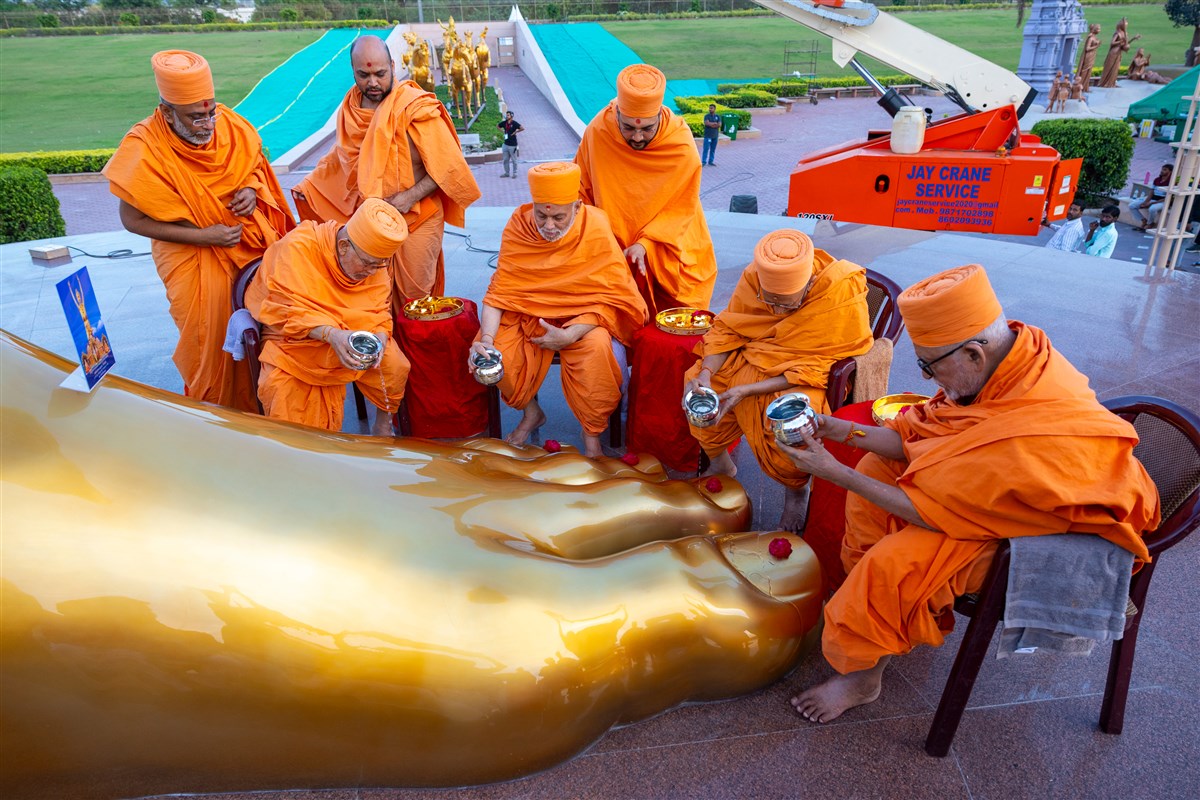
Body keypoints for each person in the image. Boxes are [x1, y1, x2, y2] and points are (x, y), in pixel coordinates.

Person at [776, 264, 1160, 723]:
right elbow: (918, 439)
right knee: (876, 465)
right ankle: (882, 619)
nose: (927, 382)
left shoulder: (1022, 437)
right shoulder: (1010, 364)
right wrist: (839, 428)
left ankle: (863, 676)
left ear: (975, 354)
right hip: (986, 501)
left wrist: (833, 470)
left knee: (894, 561)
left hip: (1045, 534)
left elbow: (933, 512)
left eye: (929, 367)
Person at [104, 49, 295, 413]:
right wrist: (204, 237)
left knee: (267, 326)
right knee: (207, 344)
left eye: (211, 112)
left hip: (246, 246)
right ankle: (216, 416)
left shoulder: (232, 126)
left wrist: (252, 190)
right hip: (189, 256)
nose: (207, 124)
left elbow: (254, 166)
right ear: (166, 112)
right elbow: (131, 220)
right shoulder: (144, 148)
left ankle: (270, 409)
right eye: (195, 117)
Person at [682, 230, 872, 531]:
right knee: (698, 385)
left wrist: (748, 389)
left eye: (785, 304)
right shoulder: (754, 277)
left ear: (808, 285)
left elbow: (822, 364)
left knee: (791, 417)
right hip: (753, 354)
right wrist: (706, 374)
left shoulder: (838, 290)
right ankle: (720, 463)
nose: (776, 311)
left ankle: (796, 491)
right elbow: (730, 329)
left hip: (802, 372)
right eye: (769, 302)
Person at [472, 162, 648, 457]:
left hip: (585, 317)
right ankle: (532, 413)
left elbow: (613, 296)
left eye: (558, 217)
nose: (549, 225)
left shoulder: (596, 225)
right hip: (528, 313)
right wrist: (486, 339)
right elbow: (499, 293)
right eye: (542, 214)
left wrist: (570, 335)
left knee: (596, 352)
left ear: (578, 207)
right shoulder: (519, 225)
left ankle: (591, 435)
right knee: (495, 355)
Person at [292, 35, 481, 309]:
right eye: (363, 75)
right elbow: (343, 160)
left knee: (413, 301)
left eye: (380, 74)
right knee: (374, 299)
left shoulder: (415, 107)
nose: (372, 83)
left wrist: (408, 197)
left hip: (418, 217)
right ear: (354, 72)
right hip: (370, 223)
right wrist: (310, 186)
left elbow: (449, 168)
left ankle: (416, 351)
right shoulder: (352, 110)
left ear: (393, 66)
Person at [245, 198, 410, 436]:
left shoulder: (374, 261)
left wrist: (382, 338)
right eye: (368, 264)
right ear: (343, 246)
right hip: (294, 340)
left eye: (380, 266)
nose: (372, 273)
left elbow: (380, 310)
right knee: (283, 392)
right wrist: (332, 335)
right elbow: (283, 310)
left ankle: (383, 424)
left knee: (394, 365)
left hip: (351, 333)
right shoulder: (298, 247)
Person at [574, 63, 718, 312]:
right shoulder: (598, 131)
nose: (637, 137)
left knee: (671, 331)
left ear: (660, 114)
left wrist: (646, 244)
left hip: (670, 244)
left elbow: (681, 207)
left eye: (646, 129)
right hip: (612, 250)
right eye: (628, 127)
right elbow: (581, 190)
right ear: (616, 112)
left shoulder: (680, 145)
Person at [1099, 18, 1140, 89]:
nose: (1126, 27)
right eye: (1125, 26)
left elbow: (1125, 44)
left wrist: (1133, 38)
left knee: (1116, 68)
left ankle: (1112, 83)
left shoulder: (1125, 34)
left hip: (1119, 53)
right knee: (1109, 67)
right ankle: (1105, 83)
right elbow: (1112, 43)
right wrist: (1120, 41)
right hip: (1114, 52)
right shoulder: (1117, 33)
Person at [1130, 163, 1171, 232]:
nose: (1162, 171)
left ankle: (1150, 223)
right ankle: (1143, 221)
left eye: (1165, 170)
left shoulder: (1171, 182)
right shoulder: (1157, 180)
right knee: (1132, 205)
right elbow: (1151, 192)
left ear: (1170, 172)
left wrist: (1151, 203)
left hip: (1162, 201)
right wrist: (1146, 202)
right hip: (1153, 199)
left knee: (1152, 209)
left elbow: (1168, 197)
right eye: (1162, 169)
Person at [498, 110, 524, 178]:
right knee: (505, 160)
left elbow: (522, 128)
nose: (507, 116)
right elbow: (498, 126)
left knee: (514, 160)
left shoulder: (514, 123)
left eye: (508, 115)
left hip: (512, 145)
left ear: (511, 116)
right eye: (506, 115)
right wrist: (502, 131)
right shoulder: (504, 123)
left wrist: (516, 131)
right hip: (505, 144)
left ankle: (515, 173)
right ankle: (507, 173)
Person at [1076, 24, 1101, 94]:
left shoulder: (1093, 37)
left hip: (1092, 55)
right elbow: (1087, 48)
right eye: (1098, 29)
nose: (1099, 30)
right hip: (1088, 56)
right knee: (1085, 70)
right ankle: (1081, 85)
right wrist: (1096, 46)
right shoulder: (1090, 38)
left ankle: (1085, 86)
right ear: (1094, 29)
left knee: (1089, 71)